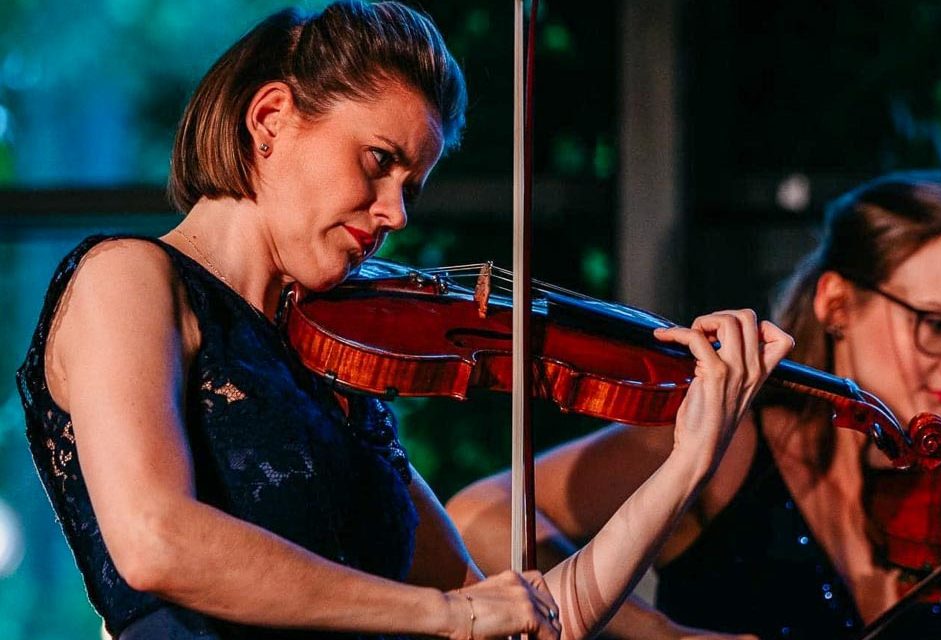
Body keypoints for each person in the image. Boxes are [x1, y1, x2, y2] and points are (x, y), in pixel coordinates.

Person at [14, 2, 796, 638]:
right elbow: (156, 541)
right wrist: (444, 616)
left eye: (411, 187)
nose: (394, 213)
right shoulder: (129, 278)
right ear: (271, 119)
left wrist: (690, 457)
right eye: (377, 161)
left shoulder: (330, 376)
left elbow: (535, 620)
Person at [447, 170, 941, 640]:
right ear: (837, 306)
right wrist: (665, 637)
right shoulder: (730, 445)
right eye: (937, 324)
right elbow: (481, 514)